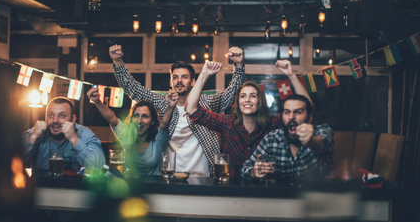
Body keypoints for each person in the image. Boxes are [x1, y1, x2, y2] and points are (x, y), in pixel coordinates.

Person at [110, 44, 246, 176]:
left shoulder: (207, 103)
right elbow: (134, 89)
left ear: (193, 82)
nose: (179, 81)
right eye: (175, 77)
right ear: (170, 82)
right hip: (171, 175)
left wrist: (239, 66)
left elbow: (232, 94)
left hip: (204, 175)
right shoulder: (164, 103)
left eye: (184, 77)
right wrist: (118, 61)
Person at [185, 60, 312, 178]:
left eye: (252, 96)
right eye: (243, 96)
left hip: (263, 189)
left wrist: (291, 75)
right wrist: (204, 74)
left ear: (259, 101)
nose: (247, 100)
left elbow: (306, 108)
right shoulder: (228, 122)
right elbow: (191, 109)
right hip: (231, 188)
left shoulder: (271, 123)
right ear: (238, 102)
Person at [241, 94, 334, 183]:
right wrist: (254, 172)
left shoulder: (321, 131)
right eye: (287, 112)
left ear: (309, 118)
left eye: (298, 112)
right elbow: (245, 168)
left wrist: (310, 141)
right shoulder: (271, 139)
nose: (291, 117)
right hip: (280, 198)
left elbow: (323, 144)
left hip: (316, 197)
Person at [87, 87, 178, 175]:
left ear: (152, 121)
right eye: (136, 116)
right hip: (131, 187)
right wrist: (97, 101)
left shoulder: (159, 140)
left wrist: (170, 107)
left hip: (155, 187)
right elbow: (112, 119)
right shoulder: (127, 137)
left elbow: (164, 124)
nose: (139, 121)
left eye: (145, 116)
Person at [22, 97, 105, 171]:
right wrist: (33, 137)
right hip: (42, 186)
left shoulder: (85, 134)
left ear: (73, 119)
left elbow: (100, 166)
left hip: (76, 186)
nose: (55, 120)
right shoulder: (35, 133)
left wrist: (74, 139)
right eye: (51, 115)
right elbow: (14, 162)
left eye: (62, 116)